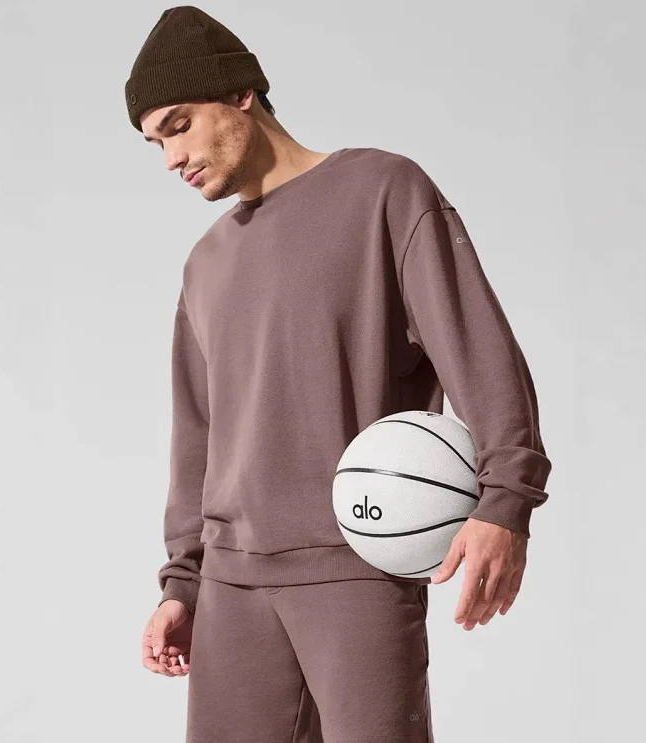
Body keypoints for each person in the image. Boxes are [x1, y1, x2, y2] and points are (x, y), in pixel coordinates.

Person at [125, 6, 552, 742]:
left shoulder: (382, 191)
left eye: (178, 126)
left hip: (355, 566)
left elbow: (480, 352)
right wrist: (183, 583)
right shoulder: (205, 264)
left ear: (241, 94)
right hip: (230, 586)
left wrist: (505, 503)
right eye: (154, 143)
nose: (170, 158)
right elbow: (197, 435)